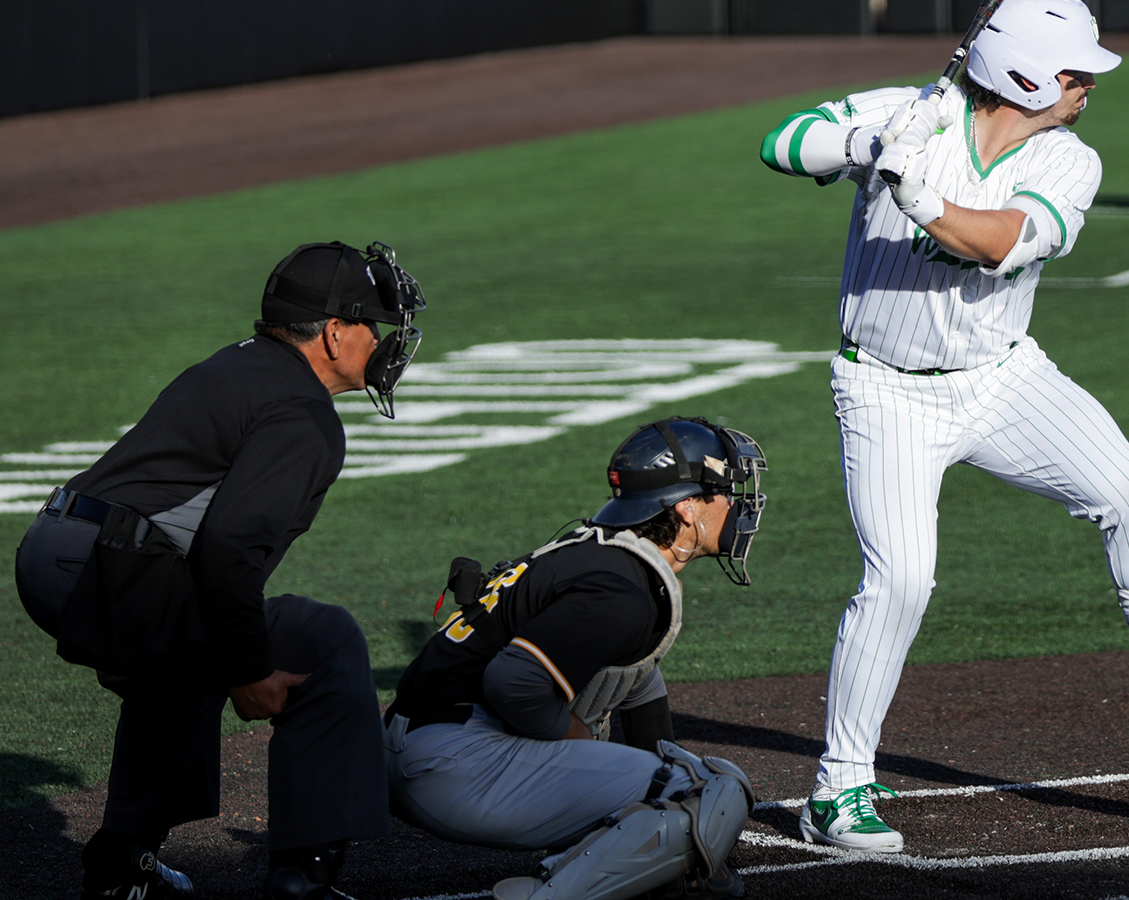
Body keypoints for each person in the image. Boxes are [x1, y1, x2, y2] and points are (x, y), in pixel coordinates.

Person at [757, 0, 1129, 854]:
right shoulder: (913, 112)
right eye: (1074, 73)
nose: (1088, 88)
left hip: (1003, 378)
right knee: (902, 581)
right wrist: (866, 141)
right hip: (886, 392)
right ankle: (838, 792)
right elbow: (781, 143)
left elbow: (1003, 243)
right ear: (1021, 75)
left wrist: (923, 201)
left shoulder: (1071, 161)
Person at [13, 241, 427, 900]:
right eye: (370, 326)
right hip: (107, 566)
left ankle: (123, 867)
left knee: (185, 659)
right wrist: (249, 671)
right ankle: (304, 877)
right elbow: (230, 550)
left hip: (65, 548)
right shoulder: (304, 416)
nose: (380, 342)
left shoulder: (241, 365)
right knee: (320, 644)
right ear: (332, 334)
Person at [382, 417, 767, 900]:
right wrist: (580, 737)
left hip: (411, 749)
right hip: (454, 765)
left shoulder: (600, 555)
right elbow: (514, 682)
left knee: (675, 780)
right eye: (725, 491)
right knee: (705, 791)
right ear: (688, 507)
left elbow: (636, 684)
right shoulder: (621, 592)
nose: (735, 504)